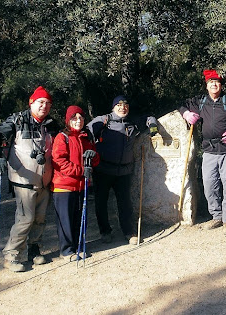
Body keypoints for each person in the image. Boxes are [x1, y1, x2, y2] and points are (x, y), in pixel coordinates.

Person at [0, 86, 60, 272]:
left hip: (45, 180)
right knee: (26, 218)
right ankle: (11, 255)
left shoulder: (51, 124)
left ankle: (34, 250)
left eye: (48, 103)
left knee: (40, 218)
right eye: (41, 102)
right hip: (23, 179)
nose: (44, 106)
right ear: (31, 102)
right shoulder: (17, 121)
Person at [87, 95, 158, 245]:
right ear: (113, 107)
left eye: (125, 105)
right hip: (103, 169)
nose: (122, 107)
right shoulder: (103, 120)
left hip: (124, 171)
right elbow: (86, 133)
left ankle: (129, 232)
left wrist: (152, 125)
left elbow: (149, 117)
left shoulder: (132, 122)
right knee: (101, 203)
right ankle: (105, 231)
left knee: (125, 203)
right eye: (119, 105)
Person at [179, 69, 226, 235]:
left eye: (217, 82)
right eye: (211, 82)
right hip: (209, 150)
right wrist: (186, 113)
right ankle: (216, 216)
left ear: (221, 85)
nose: (214, 84)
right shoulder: (200, 101)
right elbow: (181, 105)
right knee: (209, 184)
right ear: (206, 85)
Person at [51, 106, 100, 261]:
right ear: (68, 120)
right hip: (64, 186)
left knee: (79, 217)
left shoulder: (86, 137)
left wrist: (93, 157)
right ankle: (66, 251)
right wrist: (81, 171)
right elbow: (59, 161)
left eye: (81, 118)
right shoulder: (62, 137)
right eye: (74, 118)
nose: (78, 121)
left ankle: (78, 245)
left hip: (81, 186)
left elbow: (95, 160)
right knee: (65, 219)